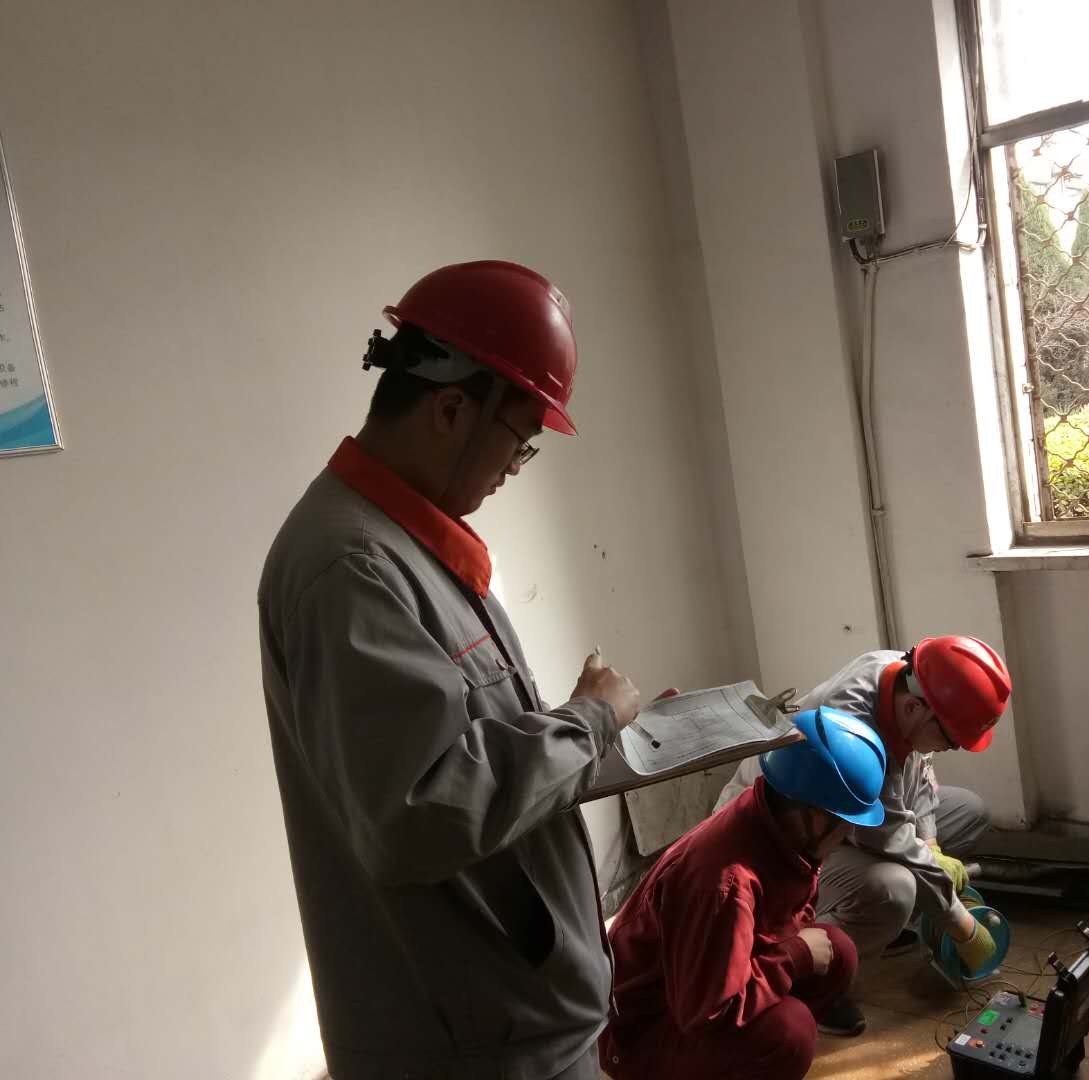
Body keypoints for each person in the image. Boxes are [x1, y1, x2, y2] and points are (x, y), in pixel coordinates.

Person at [258, 261, 649, 1080]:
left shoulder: (406, 542)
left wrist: (601, 735)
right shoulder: (353, 568)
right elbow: (419, 812)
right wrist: (586, 722)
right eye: (522, 439)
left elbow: (462, 746)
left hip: (510, 1014)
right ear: (449, 408)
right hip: (474, 1041)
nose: (517, 464)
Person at [713, 635, 1013, 1036]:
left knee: (968, 813)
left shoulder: (912, 681)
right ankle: (815, 978)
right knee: (894, 888)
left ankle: (876, 924)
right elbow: (885, 835)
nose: (952, 747)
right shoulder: (852, 722)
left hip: (850, 822)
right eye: (951, 740)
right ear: (915, 708)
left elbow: (920, 768)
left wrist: (931, 843)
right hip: (785, 841)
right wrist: (960, 923)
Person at [599, 708, 886, 1080]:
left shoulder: (779, 823)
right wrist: (794, 957)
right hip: (643, 1032)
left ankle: (750, 1050)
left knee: (837, 952)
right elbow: (708, 1012)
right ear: (815, 815)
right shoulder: (725, 883)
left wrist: (790, 955)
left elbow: (782, 922)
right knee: (790, 1032)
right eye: (847, 822)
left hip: (698, 990)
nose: (849, 833)